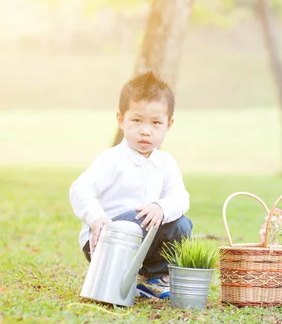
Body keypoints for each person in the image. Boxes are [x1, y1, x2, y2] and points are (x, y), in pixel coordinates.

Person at [69, 71, 192, 300]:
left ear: (169, 125)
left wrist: (161, 207)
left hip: (144, 240)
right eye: (137, 120)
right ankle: (117, 274)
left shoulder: (165, 163)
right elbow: (80, 188)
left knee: (181, 224)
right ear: (121, 119)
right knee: (136, 221)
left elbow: (181, 197)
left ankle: (151, 278)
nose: (146, 130)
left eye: (156, 123)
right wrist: (97, 218)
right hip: (106, 237)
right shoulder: (112, 159)